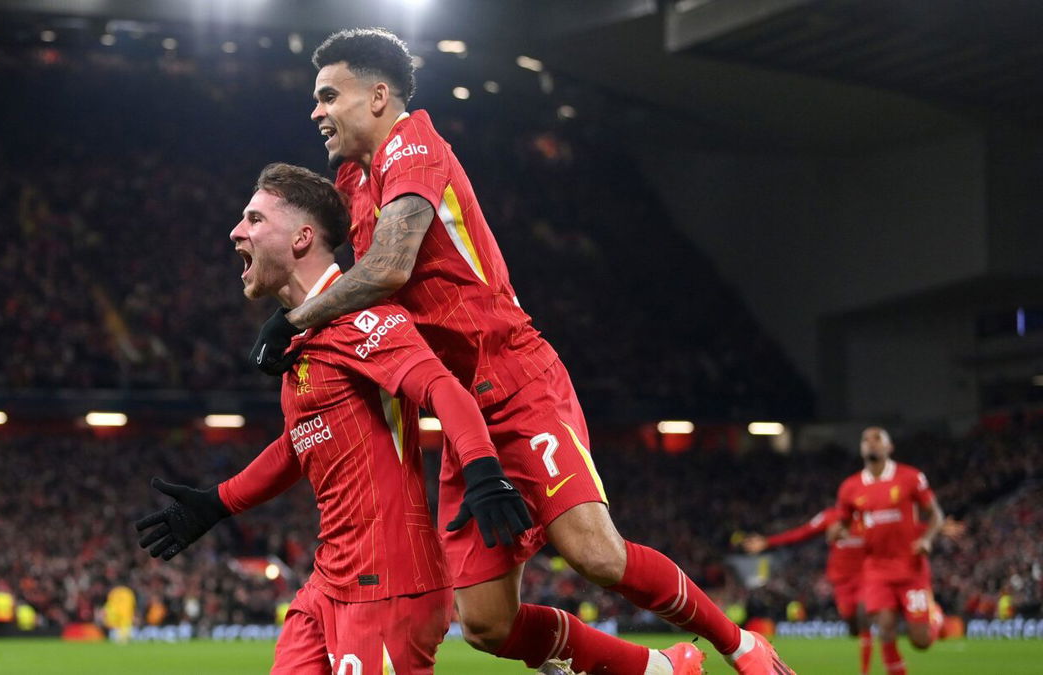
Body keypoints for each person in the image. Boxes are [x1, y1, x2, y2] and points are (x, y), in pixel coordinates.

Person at [248, 27, 790, 675]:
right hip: (459, 413)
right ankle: (661, 669)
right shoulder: (350, 179)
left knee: (596, 554)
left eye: (328, 95)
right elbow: (333, 264)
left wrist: (298, 321)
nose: (315, 111)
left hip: (514, 377)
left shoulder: (412, 145)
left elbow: (389, 266)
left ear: (378, 96)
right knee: (485, 624)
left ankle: (741, 645)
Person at [136, 163, 533, 673]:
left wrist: (481, 469)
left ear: (302, 238)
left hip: (389, 582)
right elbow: (301, 439)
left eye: (254, 219)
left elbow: (443, 390)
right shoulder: (299, 337)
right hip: (330, 581)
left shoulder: (361, 318)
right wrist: (218, 502)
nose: (237, 231)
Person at [832, 427, 946, 675]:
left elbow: (936, 514)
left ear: (889, 447)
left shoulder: (910, 477)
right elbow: (841, 523)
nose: (871, 444)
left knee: (921, 641)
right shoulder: (850, 487)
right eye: (866, 440)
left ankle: (935, 615)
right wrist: (837, 531)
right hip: (876, 569)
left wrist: (926, 539)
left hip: (910, 568)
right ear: (861, 448)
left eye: (877, 440)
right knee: (885, 628)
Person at [742, 507, 870, 673]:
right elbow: (802, 532)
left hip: (867, 575)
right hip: (842, 579)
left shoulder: (869, 515)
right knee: (851, 621)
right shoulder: (831, 516)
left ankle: (865, 669)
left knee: (864, 617)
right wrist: (768, 542)